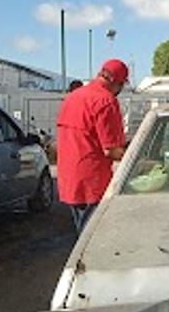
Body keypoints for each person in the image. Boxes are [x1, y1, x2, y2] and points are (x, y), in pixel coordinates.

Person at [56, 59, 128, 234]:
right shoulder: (106, 100)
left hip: (69, 180)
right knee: (93, 240)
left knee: (82, 237)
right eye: (122, 85)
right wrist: (136, 158)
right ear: (117, 82)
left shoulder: (73, 97)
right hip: (92, 183)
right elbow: (110, 149)